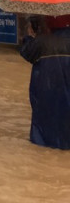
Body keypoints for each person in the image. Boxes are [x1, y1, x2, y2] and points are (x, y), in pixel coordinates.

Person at [20, 15, 70, 150]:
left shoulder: (42, 42)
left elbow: (26, 53)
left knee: (44, 141)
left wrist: (29, 36)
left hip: (47, 96)